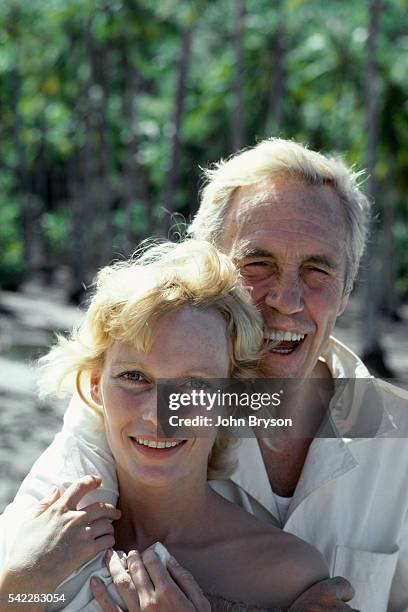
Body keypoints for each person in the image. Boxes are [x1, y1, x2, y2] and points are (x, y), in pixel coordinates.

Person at [5, 137, 404, 608]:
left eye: (318, 272)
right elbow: (28, 570)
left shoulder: (399, 438)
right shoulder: (115, 411)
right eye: (258, 263)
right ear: (207, 267)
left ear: (346, 291)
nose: (287, 299)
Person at [0, 240, 333, 612]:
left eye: (195, 385)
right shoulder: (39, 537)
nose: (159, 416)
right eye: (134, 376)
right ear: (95, 386)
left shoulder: (287, 574)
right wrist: (15, 587)